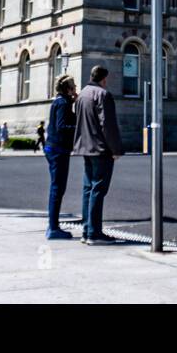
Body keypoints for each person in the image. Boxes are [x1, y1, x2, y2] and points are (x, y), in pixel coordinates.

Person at [72, 65, 124, 245]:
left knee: (88, 189)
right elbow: (108, 125)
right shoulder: (103, 95)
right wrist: (116, 150)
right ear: (104, 79)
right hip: (101, 149)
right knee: (98, 190)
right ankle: (95, 233)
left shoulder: (82, 95)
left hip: (85, 147)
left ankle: (87, 231)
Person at [44, 78, 77, 239]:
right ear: (68, 89)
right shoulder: (63, 103)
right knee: (57, 188)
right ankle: (53, 228)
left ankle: (53, 225)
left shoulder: (61, 101)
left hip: (54, 147)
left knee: (57, 187)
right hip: (58, 149)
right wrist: (79, 127)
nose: (76, 88)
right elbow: (62, 126)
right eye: (74, 87)